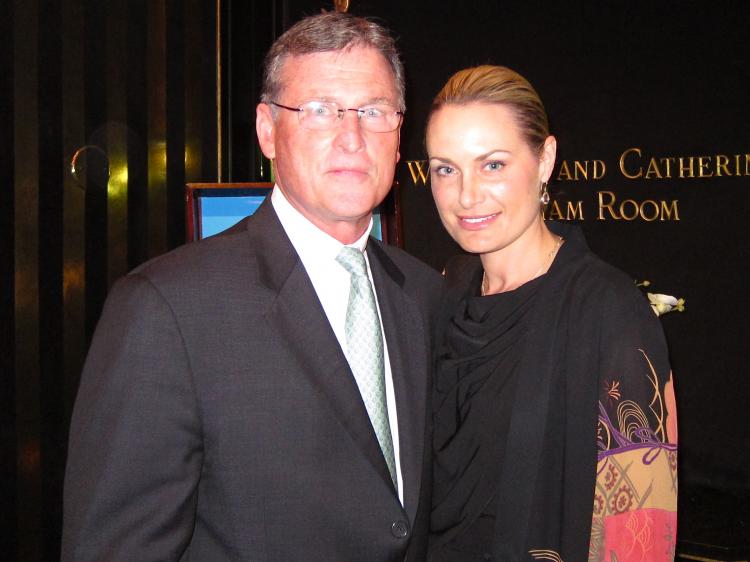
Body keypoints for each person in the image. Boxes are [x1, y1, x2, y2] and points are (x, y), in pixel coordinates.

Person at [62, 12, 443, 561]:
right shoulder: (166, 309)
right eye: (319, 110)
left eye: (373, 111)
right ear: (267, 129)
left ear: (399, 133)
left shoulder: (424, 296)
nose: (352, 137)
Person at [424, 65, 677, 561]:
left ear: (545, 160)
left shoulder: (609, 311)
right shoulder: (441, 291)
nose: (466, 195)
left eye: (492, 164)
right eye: (445, 168)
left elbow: (640, 533)